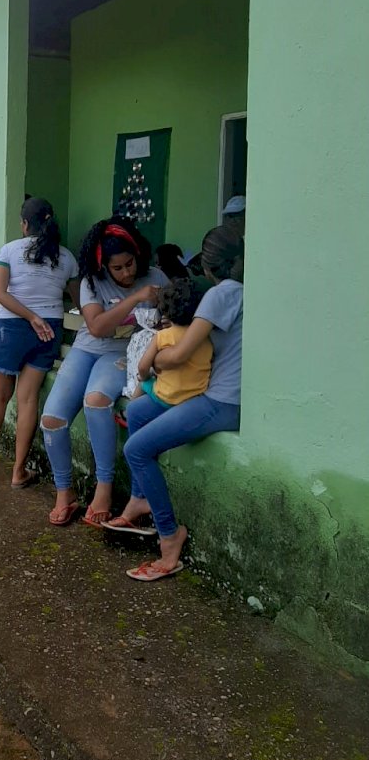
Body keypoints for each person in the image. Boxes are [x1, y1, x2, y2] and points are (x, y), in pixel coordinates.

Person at [117, 226, 244, 581]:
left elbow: (179, 354)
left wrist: (151, 360)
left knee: (137, 450)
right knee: (137, 410)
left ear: (206, 267)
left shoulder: (222, 295)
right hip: (220, 396)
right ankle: (141, 498)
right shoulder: (240, 292)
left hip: (220, 402)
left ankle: (170, 537)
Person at [40, 217, 168, 527]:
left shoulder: (157, 277)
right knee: (52, 419)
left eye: (130, 263)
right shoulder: (91, 282)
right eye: (118, 268)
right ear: (103, 266)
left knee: (96, 400)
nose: (127, 272)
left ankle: (104, 488)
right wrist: (137, 298)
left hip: (122, 354)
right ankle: (64, 492)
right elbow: (96, 327)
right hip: (87, 349)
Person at [0, 198, 79, 488]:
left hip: (13, 327)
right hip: (49, 329)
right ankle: (18, 471)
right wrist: (42, 316)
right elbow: (79, 302)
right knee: (28, 400)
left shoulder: (10, 250)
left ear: (25, 224)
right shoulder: (66, 258)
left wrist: (30, 316)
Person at [125, 277, 212, 407]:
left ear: (165, 310)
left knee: (143, 383)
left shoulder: (162, 336)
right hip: (196, 396)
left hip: (167, 398)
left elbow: (143, 367)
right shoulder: (204, 337)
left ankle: (128, 411)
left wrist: (147, 377)